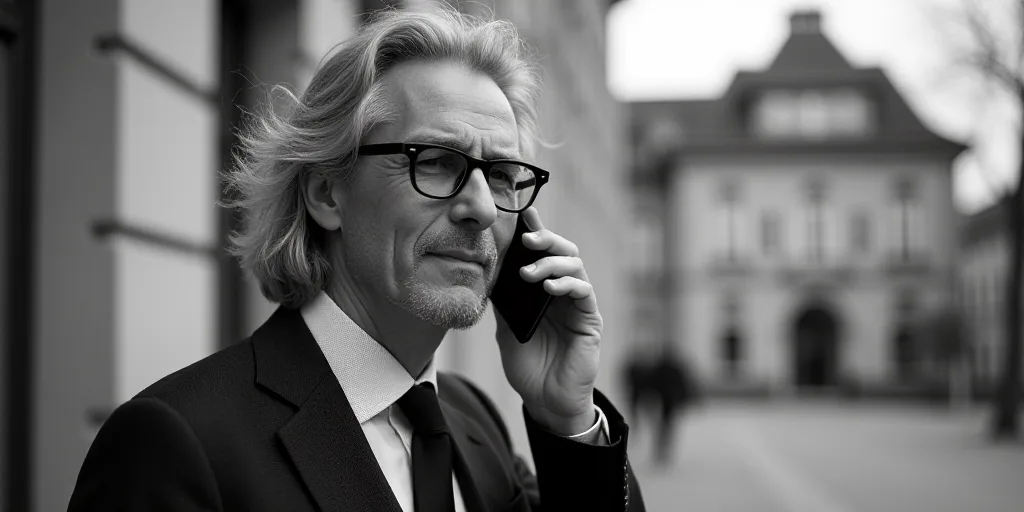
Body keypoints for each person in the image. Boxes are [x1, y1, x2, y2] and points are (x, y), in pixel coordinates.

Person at [68, 6, 644, 512]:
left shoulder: (476, 421)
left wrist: (567, 419)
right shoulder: (176, 445)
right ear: (326, 192)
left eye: (500, 175)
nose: (480, 208)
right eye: (436, 161)